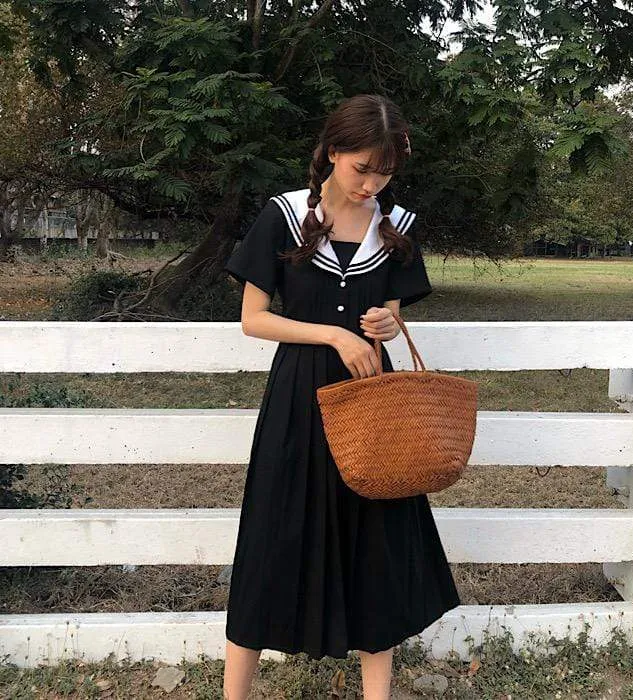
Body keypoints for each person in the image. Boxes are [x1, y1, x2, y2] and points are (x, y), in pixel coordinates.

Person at [222, 94, 460, 700]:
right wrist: (330, 332)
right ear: (333, 152)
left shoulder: (395, 225)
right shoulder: (284, 214)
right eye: (362, 169)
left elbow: (392, 313)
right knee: (272, 542)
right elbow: (254, 318)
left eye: (384, 174)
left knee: (374, 548)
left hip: (370, 402)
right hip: (298, 403)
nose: (371, 184)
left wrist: (381, 323)